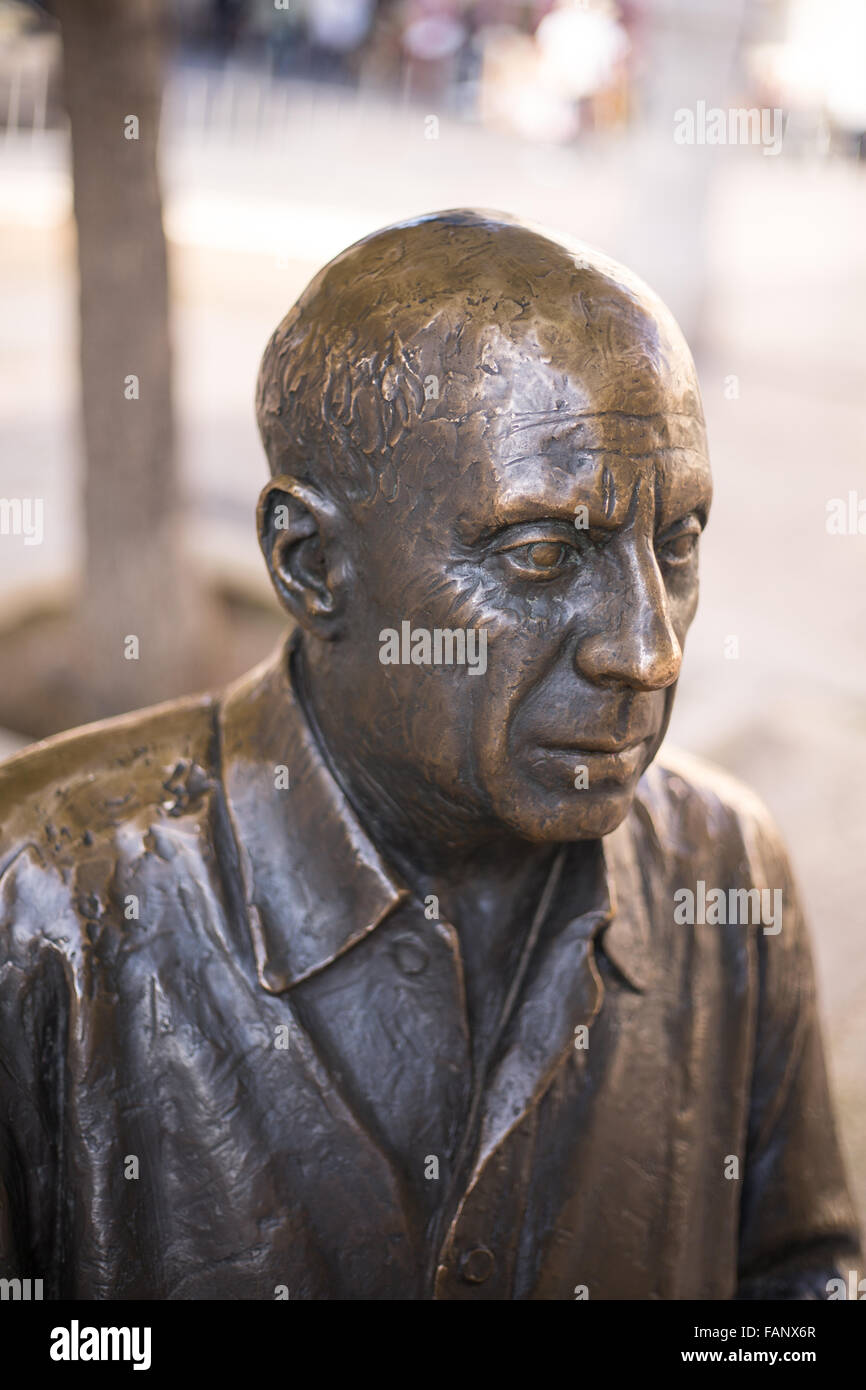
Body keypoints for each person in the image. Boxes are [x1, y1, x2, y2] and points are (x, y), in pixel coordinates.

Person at [0, 210, 859, 1299]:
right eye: (544, 554)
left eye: (676, 543)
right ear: (311, 566)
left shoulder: (722, 871)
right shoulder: (38, 910)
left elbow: (798, 1278)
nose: (647, 649)